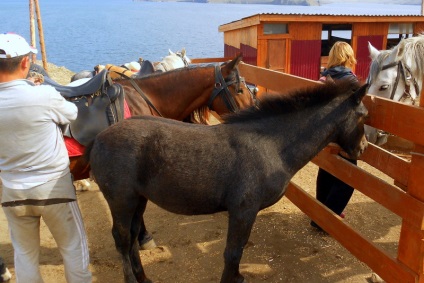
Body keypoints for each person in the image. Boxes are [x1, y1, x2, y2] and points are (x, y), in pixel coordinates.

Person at [0, 33, 92, 282]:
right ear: (25, 63)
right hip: (53, 190)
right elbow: (72, 113)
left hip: (12, 194)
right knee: (73, 248)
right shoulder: (43, 95)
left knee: (25, 255)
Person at [311, 41, 359, 231]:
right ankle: (326, 218)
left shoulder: (323, 78)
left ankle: (319, 213)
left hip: (324, 136)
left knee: (327, 171)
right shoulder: (352, 81)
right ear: (349, 57)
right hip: (344, 136)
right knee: (349, 179)